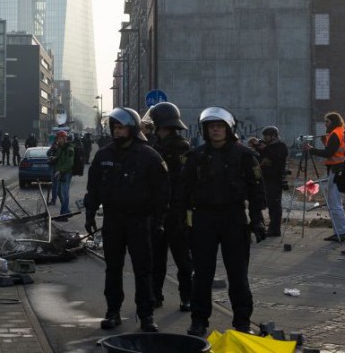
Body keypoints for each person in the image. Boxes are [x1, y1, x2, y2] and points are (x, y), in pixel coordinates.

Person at [179, 107, 266, 337]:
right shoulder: (195, 156)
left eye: (219, 126)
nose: (215, 130)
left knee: (238, 274)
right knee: (202, 274)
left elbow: (257, 190)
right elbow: (183, 193)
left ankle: (242, 322)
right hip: (203, 218)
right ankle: (199, 321)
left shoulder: (245, 155)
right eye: (211, 126)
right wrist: (184, 223)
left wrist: (257, 219)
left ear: (228, 129)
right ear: (205, 130)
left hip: (234, 218)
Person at [84, 107, 170, 333]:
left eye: (121, 127)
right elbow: (93, 188)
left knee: (143, 270)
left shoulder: (149, 156)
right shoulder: (104, 155)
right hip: (113, 220)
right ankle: (113, 312)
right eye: (114, 127)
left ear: (132, 128)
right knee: (113, 268)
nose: (117, 131)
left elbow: (162, 192)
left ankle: (146, 315)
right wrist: (90, 213)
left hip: (140, 221)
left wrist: (159, 221)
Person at [143, 102, 193, 312]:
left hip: (173, 211)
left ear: (160, 124)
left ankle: (179, 297)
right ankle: (167, 296)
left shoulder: (179, 148)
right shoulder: (158, 146)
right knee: (164, 257)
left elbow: (184, 182)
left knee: (176, 258)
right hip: (165, 211)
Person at [303, 112, 345, 242]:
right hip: (340, 168)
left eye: (327, 122)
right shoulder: (341, 131)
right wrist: (326, 142)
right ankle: (342, 231)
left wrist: (311, 149)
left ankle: (342, 231)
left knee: (334, 203)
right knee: (336, 202)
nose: (325, 124)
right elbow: (335, 150)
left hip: (336, 170)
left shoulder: (335, 133)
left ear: (333, 121)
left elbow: (329, 153)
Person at [249, 126, 289, 237]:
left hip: (275, 179)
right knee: (260, 202)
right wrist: (256, 145)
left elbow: (275, 156)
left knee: (274, 205)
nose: (264, 138)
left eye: (267, 136)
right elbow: (258, 155)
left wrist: (263, 148)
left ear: (274, 136)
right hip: (263, 178)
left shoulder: (281, 146)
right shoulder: (265, 146)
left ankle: (275, 229)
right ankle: (260, 225)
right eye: (264, 136)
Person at [48, 131, 74, 218]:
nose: (58, 140)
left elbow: (69, 163)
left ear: (64, 138)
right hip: (60, 172)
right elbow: (59, 157)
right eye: (57, 139)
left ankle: (63, 215)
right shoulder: (60, 148)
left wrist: (60, 171)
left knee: (64, 194)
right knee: (59, 192)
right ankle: (67, 211)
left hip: (66, 173)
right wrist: (53, 158)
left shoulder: (69, 148)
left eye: (60, 139)